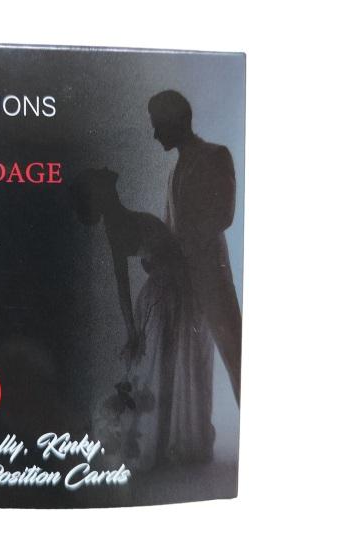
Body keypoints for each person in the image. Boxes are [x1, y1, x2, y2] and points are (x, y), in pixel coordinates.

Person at [72, 168, 214, 470]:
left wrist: (133, 328)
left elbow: (148, 267)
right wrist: (131, 328)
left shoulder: (125, 222)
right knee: (154, 364)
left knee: (158, 364)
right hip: (164, 294)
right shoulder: (118, 226)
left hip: (171, 292)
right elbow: (122, 282)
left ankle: (157, 440)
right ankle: (150, 439)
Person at [148, 90, 242, 407]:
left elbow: (224, 215)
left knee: (237, 358)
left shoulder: (216, 155)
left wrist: (179, 250)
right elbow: (169, 227)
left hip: (212, 280)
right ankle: (197, 433)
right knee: (191, 369)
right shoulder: (172, 172)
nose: (155, 134)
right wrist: (158, 255)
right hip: (181, 285)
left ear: (176, 121)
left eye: (158, 124)